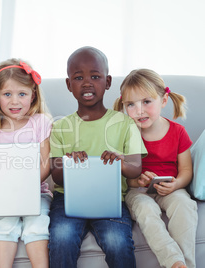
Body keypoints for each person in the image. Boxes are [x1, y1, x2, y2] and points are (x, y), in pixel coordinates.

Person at [49, 46, 147, 268]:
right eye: (78, 77)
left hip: (110, 198)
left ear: (108, 81)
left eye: (95, 76)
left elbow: (135, 169)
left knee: (117, 241)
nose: (87, 83)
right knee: (62, 238)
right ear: (68, 85)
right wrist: (69, 163)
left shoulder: (124, 123)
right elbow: (56, 176)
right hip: (67, 199)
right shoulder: (60, 126)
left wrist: (120, 161)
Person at [114, 68, 198, 268]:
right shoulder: (127, 134)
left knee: (185, 206)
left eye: (146, 102)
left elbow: (186, 170)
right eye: (131, 105)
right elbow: (126, 177)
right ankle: (174, 262)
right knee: (146, 208)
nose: (139, 110)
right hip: (138, 191)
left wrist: (176, 184)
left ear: (164, 100)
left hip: (170, 189)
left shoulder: (178, 132)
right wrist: (138, 180)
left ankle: (186, 264)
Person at [0, 58, 52, 268]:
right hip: (4, 194)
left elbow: (46, 163)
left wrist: (26, 185)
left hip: (36, 191)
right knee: (3, 225)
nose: (14, 101)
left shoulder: (40, 122)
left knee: (37, 223)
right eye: (7, 94)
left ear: (33, 95)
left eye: (21, 94)